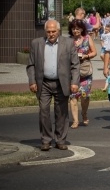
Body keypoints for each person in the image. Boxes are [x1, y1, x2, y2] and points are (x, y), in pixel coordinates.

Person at [26, 20, 80, 151]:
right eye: (48, 31)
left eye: (53, 31)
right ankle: (46, 140)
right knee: (43, 111)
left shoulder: (68, 43)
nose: (51, 34)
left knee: (61, 112)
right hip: (43, 83)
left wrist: (74, 82)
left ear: (59, 31)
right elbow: (31, 64)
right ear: (45, 32)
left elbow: (75, 65)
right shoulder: (36, 43)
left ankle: (60, 140)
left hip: (61, 83)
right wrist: (32, 81)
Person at [68, 19, 96, 128]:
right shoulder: (68, 41)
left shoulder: (87, 38)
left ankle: (84, 113)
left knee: (85, 96)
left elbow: (94, 52)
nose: (76, 30)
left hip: (85, 72)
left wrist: (86, 56)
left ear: (82, 29)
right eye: (74, 28)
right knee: (73, 96)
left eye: (78, 28)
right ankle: (75, 120)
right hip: (72, 73)